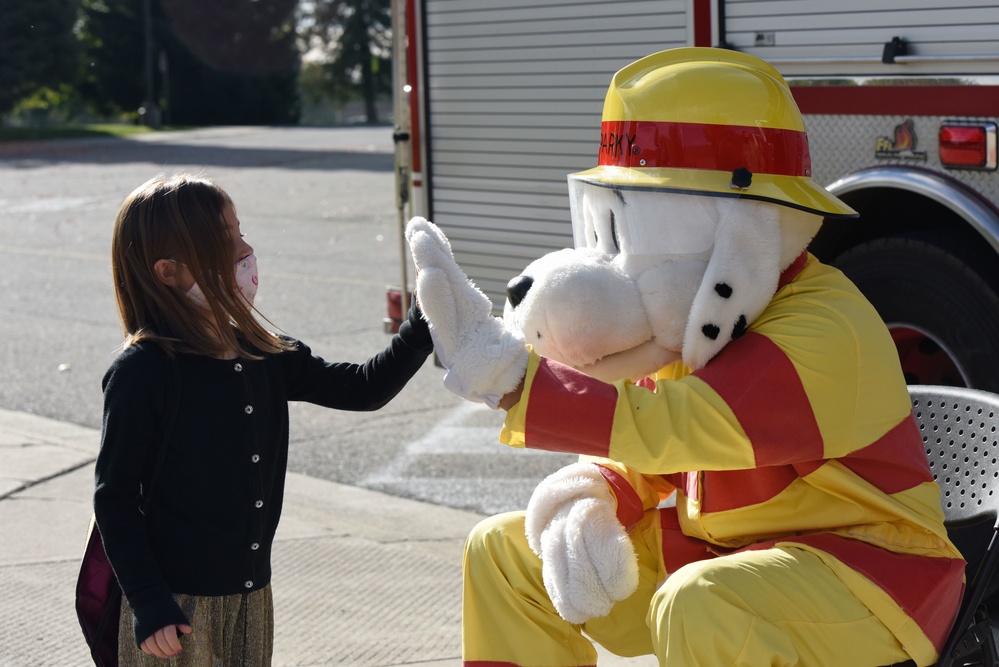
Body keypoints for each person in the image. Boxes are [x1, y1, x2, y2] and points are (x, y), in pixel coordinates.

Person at [406, 47, 964, 667]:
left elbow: (681, 424)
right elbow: (649, 439)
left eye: (640, 233)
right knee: (504, 553)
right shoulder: (702, 313)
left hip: (870, 576)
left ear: (743, 232)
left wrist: (514, 380)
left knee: (701, 604)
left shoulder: (826, 326)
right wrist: (600, 492)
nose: (622, 262)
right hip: (730, 558)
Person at [94, 174, 433, 665]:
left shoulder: (262, 352)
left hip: (252, 596)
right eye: (224, 238)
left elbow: (362, 388)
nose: (245, 248)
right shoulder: (144, 371)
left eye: (240, 230)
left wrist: (421, 328)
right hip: (176, 608)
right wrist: (148, 601)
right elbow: (115, 499)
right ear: (168, 272)